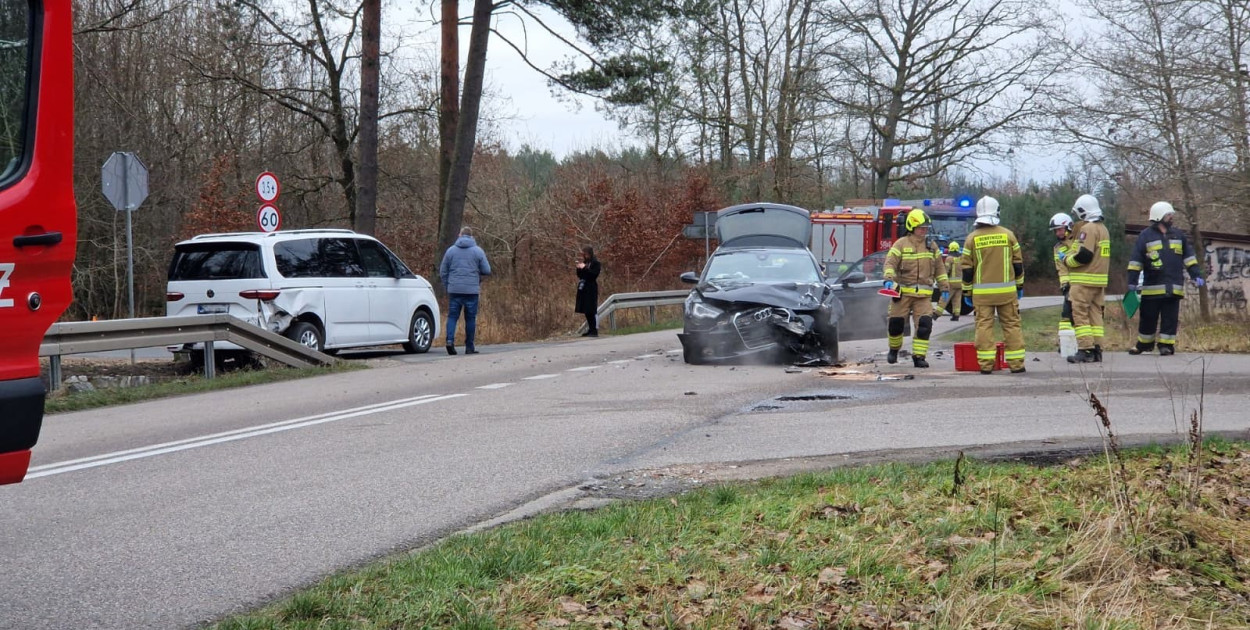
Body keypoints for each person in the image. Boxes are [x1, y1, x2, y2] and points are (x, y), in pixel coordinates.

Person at [1126, 201, 1206, 356]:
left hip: (1173, 287)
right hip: (1152, 288)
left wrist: (1196, 275)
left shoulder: (1178, 235)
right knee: (1148, 317)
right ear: (1159, 216)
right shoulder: (1145, 236)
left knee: (1170, 319)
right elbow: (1136, 261)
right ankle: (1144, 344)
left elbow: (1189, 257)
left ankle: (1166, 345)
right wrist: (1132, 282)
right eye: (1169, 215)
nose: (1171, 217)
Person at [960, 196, 1026, 374]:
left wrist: (966, 292)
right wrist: (1019, 286)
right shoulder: (1008, 235)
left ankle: (986, 365)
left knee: (984, 326)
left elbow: (967, 270)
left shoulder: (971, 239)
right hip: (1007, 293)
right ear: (997, 212)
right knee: (1011, 325)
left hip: (982, 295)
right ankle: (1017, 364)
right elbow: (1018, 265)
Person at [883, 209, 949, 368]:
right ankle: (894, 349)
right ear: (912, 227)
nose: (924, 230)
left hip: (924, 296)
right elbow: (890, 263)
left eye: (926, 228)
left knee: (925, 325)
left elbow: (940, 269)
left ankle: (919, 356)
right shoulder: (901, 244)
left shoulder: (931, 246)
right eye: (921, 228)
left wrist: (945, 287)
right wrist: (889, 279)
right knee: (896, 324)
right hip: (902, 294)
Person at [1062, 194, 1111, 363]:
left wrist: (1067, 260)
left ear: (1083, 211)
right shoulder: (1103, 229)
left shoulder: (1088, 229)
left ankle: (1085, 349)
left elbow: (1084, 255)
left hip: (1083, 281)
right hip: (1098, 281)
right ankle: (1097, 349)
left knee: (1079, 314)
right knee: (1095, 315)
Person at [439, 226, 491, 355]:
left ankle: (449, 341)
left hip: (454, 289)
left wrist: (448, 285)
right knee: (470, 319)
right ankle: (469, 347)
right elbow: (487, 270)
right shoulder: (478, 251)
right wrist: (477, 278)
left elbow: (443, 271)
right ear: (472, 236)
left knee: (452, 317)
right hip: (471, 290)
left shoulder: (450, 251)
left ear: (459, 235)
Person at [1049, 213, 1076, 337]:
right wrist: (1065, 285)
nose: (1057, 233)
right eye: (1056, 231)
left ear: (1068, 227)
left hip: (1082, 283)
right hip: (1070, 285)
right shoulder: (1058, 248)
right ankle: (1066, 340)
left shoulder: (1079, 241)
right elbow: (1061, 269)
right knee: (1066, 314)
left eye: (1060, 229)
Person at [575, 245, 601, 337]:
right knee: (586, 309)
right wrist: (579, 268)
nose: (585, 256)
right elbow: (581, 276)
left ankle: (594, 330)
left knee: (591, 309)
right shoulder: (585, 263)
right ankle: (590, 329)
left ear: (590, 254)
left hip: (591, 288)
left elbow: (593, 275)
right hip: (584, 288)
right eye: (584, 255)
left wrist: (585, 268)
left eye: (586, 254)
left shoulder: (596, 263)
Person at [942, 242, 963, 321]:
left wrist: (943, 280)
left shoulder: (949, 258)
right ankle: (956, 315)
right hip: (961, 283)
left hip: (951, 283)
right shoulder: (962, 258)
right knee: (957, 300)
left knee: (945, 298)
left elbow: (946, 270)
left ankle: (936, 314)